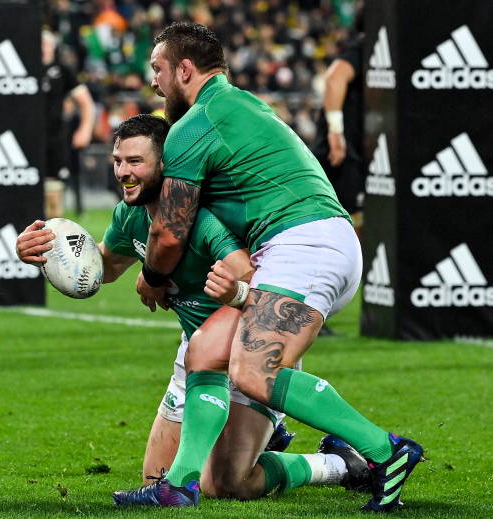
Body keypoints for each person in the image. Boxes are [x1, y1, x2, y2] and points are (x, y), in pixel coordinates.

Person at [113, 23, 423, 512]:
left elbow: (170, 233)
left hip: (301, 245)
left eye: (158, 69)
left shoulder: (196, 124)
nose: (153, 82)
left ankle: (386, 451)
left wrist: (150, 277)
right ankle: (180, 485)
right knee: (205, 351)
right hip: (313, 243)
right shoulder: (244, 105)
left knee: (254, 372)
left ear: (185, 69)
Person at [16, 114, 369, 501]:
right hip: (196, 356)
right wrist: (45, 255)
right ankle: (257, 439)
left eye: (136, 162)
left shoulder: (202, 218)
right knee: (156, 480)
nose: (123, 172)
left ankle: (339, 464)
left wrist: (230, 290)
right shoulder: (129, 216)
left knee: (227, 484)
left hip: (244, 349)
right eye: (118, 161)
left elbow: (249, 276)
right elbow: (103, 269)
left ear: (165, 165)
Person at [310, 8, 365, 239]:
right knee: (342, 219)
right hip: (340, 150)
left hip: (350, 148)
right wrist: (336, 132)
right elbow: (334, 78)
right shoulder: (364, 47)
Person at [41, 29, 95, 218]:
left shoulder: (62, 70)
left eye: (46, 44)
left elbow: (86, 103)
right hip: (27, 139)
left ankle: (53, 242)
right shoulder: (24, 68)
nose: (43, 48)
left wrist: (85, 130)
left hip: (54, 140)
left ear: (53, 47)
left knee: (53, 195)